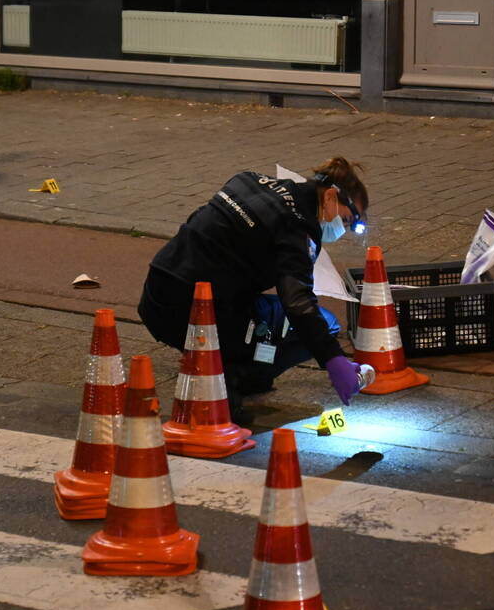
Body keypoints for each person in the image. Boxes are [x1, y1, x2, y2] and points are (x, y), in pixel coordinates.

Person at [138, 156, 369, 423]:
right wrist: (333, 359)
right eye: (350, 220)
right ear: (330, 197)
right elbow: (298, 303)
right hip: (201, 321)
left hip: (156, 298)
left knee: (250, 303)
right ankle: (233, 377)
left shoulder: (249, 179)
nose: (347, 229)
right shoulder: (297, 230)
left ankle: (225, 362)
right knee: (324, 324)